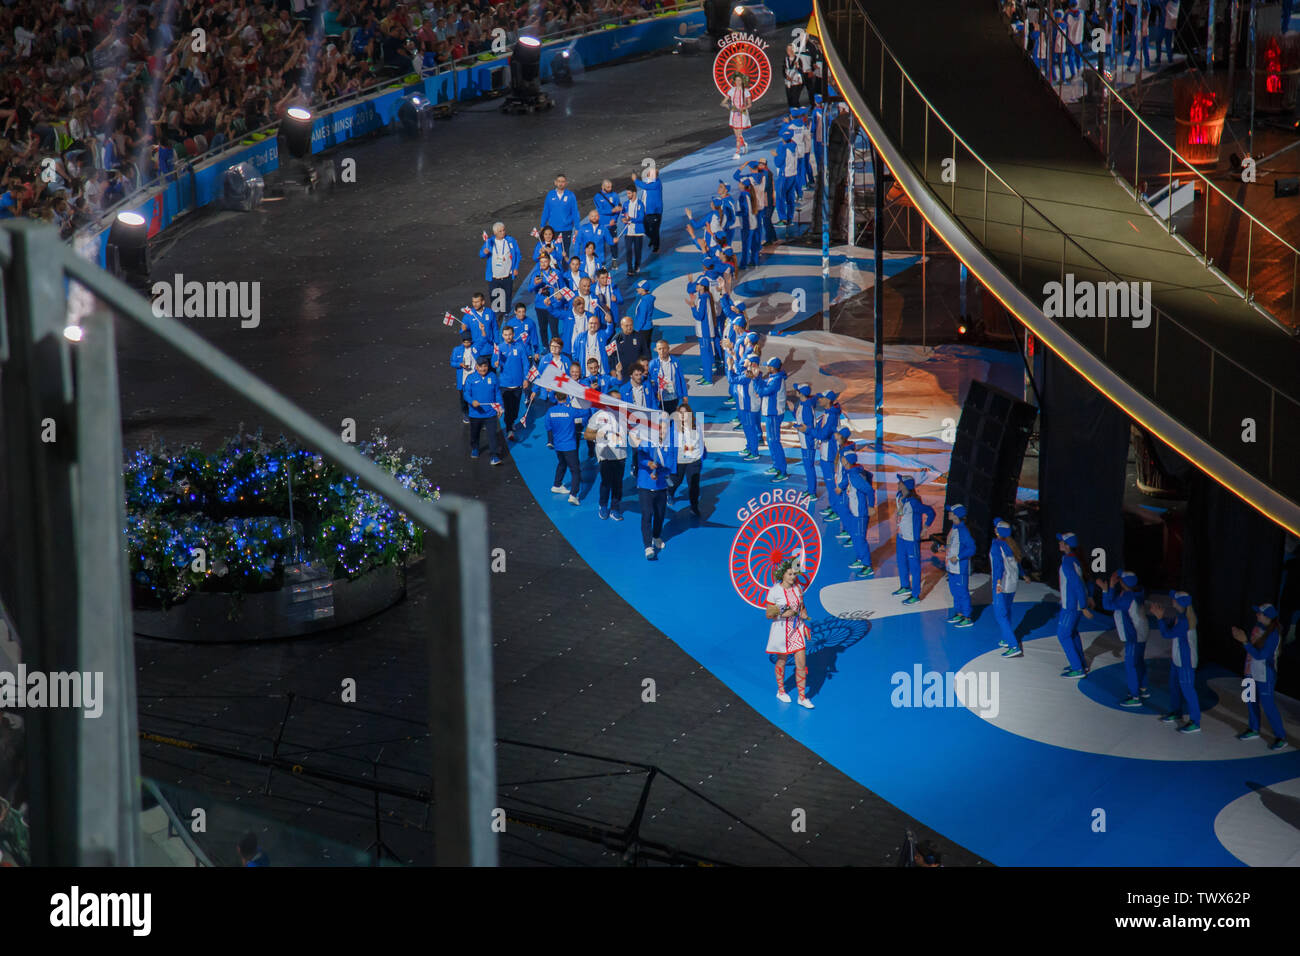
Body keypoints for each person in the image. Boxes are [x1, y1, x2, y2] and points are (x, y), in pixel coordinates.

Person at [1233, 603, 1287, 749]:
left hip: (1265, 675)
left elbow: (1261, 655)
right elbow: (1252, 651)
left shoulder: (1274, 634)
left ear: (1267, 617)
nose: (1257, 615)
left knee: (1268, 706)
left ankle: (1281, 736)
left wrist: (1244, 641)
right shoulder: (1257, 627)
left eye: (1259, 613)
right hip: (1250, 671)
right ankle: (1254, 729)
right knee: (1250, 701)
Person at [765, 558, 814, 708]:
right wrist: (782, 614)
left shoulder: (798, 589)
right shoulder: (774, 592)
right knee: (782, 661)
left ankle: (802, 696)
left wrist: (804, 614)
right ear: (783, 575)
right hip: (781, 632)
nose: (793, 577)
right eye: (790, 574)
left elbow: (802, 606)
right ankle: (781, 691)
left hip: (797, 629)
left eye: (794, 574)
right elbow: (768, 614)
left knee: (801, 663)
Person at [1099, 569, 1149, 707]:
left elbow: (1108, 605)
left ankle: (1135, 696)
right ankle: (1143, 689)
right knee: (1139, 662)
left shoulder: (1127, 598)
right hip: (1141, 633)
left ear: (1123, 582)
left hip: (1134, 636)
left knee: (1131, 665)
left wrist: (1107, 588)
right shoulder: (1137, 592)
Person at [1150, 591, 1199, 733]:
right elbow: (1170, 627)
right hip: (1178, 659)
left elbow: (1167, 634)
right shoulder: (1182, 617)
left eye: (1174, 600)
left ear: (1180, 603)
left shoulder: (1184, 621)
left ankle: (1195, 722)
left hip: (1186, 662)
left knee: (1188, 691)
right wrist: (1162, 616)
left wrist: (1159, 618)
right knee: (1174, 687)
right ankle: (1176, 711)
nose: (1172, 601)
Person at [636, 415, 676, 560]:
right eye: (659, 428)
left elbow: (670, 466)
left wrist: (658, 471)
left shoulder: (670, 445)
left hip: (660, 486)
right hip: (645, 486)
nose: (662, 431)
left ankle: (656, 536)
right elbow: (640, 458)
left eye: (664, 429)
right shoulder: (646, 442)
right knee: (647, 514)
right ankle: (648, 546)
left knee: (660, 514)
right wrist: (649, 464)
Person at [892, 476, 935, 605]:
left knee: (914, 566)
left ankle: (916, 595)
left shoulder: (914, 503)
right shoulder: (899, 496)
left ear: (905, 486)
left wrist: (925, 528)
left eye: (900, 482)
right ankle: (905, 586)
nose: (898, 483)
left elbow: (931, 512)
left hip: (911, 538)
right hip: (901, 536)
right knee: (901, 561)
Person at [1055, 531, 1092, 678]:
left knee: (1063, 634)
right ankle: (1080, 663)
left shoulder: (1068, 562)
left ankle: (1077, 668)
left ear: (1067, 546)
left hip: (1071, 606)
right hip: (1073, 604)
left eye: (1061, 542)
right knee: (1072, 632)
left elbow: (1076, 584)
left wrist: (1083, 606)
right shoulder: (1074, 559)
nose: (1059, 543)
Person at [587, 389, 627, 520]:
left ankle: (615, 508)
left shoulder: (626, 415)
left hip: (620, 454)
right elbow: (587, 434)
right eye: (616, 399)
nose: (619, 402)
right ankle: (603, 505)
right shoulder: (598, 415)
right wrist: (599, 435)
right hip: (605, 454)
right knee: (606, 482)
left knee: (618, 483)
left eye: (620, 399)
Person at [547, 393, 590, 505]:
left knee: (562, 463)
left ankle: (557, 485)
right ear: (566, 398)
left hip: (558, 445)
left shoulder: (550, 411)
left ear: (555, 397)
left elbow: (548, 426)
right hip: (569, 446)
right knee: (575, 470)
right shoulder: (571, 411)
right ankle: (573, 495)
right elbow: (585, 412)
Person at [464, 353, 505, 465]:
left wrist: (500, 408)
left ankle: (494, 456)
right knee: (474, 433)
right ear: (476, 367)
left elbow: (497, 394)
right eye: (481, 366)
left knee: (492, 435)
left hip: (490, 413)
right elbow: (466, 394)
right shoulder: (470, 378)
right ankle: (475, 447)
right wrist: (472, 401)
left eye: (485, 366)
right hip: (475, 413)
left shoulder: (492, 377)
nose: (483, 368)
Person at [991, 519, 1023, 657]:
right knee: (1007, 611)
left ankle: (1013, 645)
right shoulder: (1012, 545)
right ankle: (1006, 637)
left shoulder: (996, 545)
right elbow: (1018, 564)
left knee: (1000, 615)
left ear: (998, 531)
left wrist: (998, 583)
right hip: (1012, 584)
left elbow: (998, 566)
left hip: (1002, 584)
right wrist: (1025, 575)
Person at [841, 451, 876, 578]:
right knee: (856, 536)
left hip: (860, 513)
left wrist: (871, 506)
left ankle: (867, 565)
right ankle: (861, 558)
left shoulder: (855, 476)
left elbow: (869, 490)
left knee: (860, 538)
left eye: (844, 459)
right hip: (856, 511)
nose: (842, 461)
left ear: (848, 462)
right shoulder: (854, 472)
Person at [669, 400, 706, 516]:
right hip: (679, 461)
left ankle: (694, 506)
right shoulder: (673, 427)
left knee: (694, 485)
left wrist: (700, 456)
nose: (683, 415)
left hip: (693, 460)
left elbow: (701, 442)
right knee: (676, 481)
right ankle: (669, 493)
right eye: (681, 413)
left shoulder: (696, 426)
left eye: (685, 413)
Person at [755, 356, 788, 481]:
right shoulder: (774, 377)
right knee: (770, 441)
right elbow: (763, 385)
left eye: (768, 366)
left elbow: (764, 391)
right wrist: (757, 377)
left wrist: (758, 384)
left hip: (774, 414)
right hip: (770, 413)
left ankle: (782, 471)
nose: (766, 367)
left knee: (774, 442)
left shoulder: (777, 380)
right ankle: (776, 465)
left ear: (773, 368)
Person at [943, 504, 976, 627]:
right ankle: (959, 613)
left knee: (962, 592)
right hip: (951, 567)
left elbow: (972, 548)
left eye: (951, 512)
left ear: (956, 515)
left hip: (960, 568)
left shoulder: (963, 531)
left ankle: (967, 617)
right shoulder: (954, 527)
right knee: (955, 591)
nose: (948, 513)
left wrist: (958, 557)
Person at [495, 324, 531, 441]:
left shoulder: (520, 347)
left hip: (518, 384)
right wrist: (495, 363)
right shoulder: (499, 348)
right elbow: (493, 362)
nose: (508, 337)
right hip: (504, 385)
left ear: (513, 334)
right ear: (502, 335)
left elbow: (526, 364)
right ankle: (509, 429)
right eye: (505, 335)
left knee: (515, 408)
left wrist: (526, 379)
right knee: (508, 408)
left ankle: (512, 421)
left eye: (510, 334)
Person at [479, 221, 520, 314]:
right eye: (500, 231)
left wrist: (516, 268)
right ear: (495, 233)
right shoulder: (489, 242)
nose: (503, 233)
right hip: (494, 276)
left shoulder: (510, 240)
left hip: (507, 275)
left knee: (507, 295)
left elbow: (518, 255)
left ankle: (506, 313)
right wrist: (484, 252)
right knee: (494, 296)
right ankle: (496, 314)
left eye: (503, 230)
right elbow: (481, 254)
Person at [729, 355, 763, 461]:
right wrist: (734, 357)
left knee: (750, 429)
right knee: (748, 428)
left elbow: (732, 379)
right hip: (748, 405)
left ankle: (754, 452)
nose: (744, 360)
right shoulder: (752, 373)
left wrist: (730, 367)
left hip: (748, 406)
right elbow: (740, 371)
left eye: (747, 359)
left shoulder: (749, 376)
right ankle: (750, 447)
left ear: (751, 363)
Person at [791, 383, 819, 499]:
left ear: (800, 394)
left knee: (809, 467)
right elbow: (800, 420)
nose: (795, 391)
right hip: (805, 442)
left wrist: (798, 427)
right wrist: (793, 411)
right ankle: (810, 489)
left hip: (808, 442)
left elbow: (808, 428)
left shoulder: (806, 407)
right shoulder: (803, 404)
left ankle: (812, 492)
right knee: (807, 467)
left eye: (797, 390)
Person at [540, 173, 579, 250]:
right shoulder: (550, 195)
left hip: (567, 229)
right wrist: (542, 225)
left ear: (566, 183)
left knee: (565, 252)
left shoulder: (571, 195)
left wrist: (577, 228)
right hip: (553, 230)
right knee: (553, 251)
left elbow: (575, 212)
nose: (560, 183)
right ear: (555, 182)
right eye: (559, 181)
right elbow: (546, 211)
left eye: (563, 181)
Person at [648, 338, 688, 414]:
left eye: (664, 348)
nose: (662, 351)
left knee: (673, 416)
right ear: (656, 350)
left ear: (668, 348)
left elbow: (681, 379)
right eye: (659, 349)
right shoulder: (653, 364)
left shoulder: (675, 361)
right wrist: (655, 393)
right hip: (660, 398)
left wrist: (685, 395)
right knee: (663, 420)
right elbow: (650, 381)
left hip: (674, 396)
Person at [633, 165, 664, 254]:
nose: (651, 175)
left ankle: (656, 246)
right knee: (644, 228)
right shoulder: (648, 182)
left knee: (655, 229)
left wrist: (635, 180)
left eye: (653, 174)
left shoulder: (657, 183)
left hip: (655, 211)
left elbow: (644, 186)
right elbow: (644, 195)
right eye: (650, 173)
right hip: (647, 211)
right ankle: (652, 239)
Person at [723, 71, 753, 159]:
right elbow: (723, 102)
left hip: (742, 114)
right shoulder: (731, 90)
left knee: (739, 135)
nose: (738, 82)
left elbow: (750, 104)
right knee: (737, 135)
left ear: (742, 81)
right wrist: (731, 107)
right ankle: (744, 144)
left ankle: (737, 152)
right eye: (736, 80)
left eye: (739, 80)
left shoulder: (746, 91)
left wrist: (744, 108)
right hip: (734, 114)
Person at [593, 179, 623, 262]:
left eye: (611, 187)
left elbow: (618, 209)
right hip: (602, 224)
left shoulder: (615, 195)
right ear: (602, 187)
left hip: (612, 224)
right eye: (608, 187)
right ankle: (602, 261)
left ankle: (614, 259)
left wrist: (614, 219)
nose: (610, 188)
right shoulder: (597, 197)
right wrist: (611, 211)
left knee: (613, 242)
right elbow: (599, 210)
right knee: (600, 244)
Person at [451, 330, 476, 424]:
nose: (466, 343)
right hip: (463, 379)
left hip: (474, 377)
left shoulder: (475, 348)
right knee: (463, 398)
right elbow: (452, 363)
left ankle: (476, 414)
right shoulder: (457, 350)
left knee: (475, 396)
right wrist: (460, 364)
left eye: (468, 341)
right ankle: (465, 413)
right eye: (465, 342)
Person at [621, 185, 646, 276]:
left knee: (637, 250)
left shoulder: (640, 204)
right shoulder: (625, 204)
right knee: (628, 250)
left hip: (638, 232)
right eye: (627, 193)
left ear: (634, 193)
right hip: (628, 231)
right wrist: (623, 219)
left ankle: (637, 265)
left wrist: (631, 219)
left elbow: (642, 218)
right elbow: (623, 215)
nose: (628, 195)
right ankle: (630, 269)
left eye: (629, 193)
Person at [783, 43, 806, 109]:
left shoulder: (798, 60)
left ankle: (798, 114)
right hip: (788, 82)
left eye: (791, 49)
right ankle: (793, 114)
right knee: (790, 100)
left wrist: (798, 66)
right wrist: (786, 76)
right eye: (788, 49)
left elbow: (801, 72)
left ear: (794, 50)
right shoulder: (785, 60)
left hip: (796, 83)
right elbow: (783, 70)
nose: (789, 51)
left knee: (795, 100)